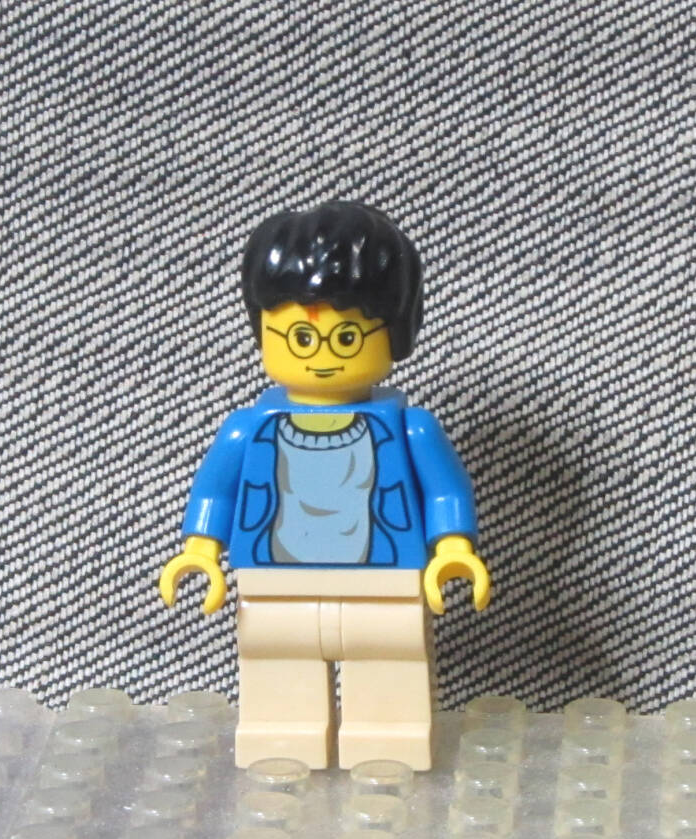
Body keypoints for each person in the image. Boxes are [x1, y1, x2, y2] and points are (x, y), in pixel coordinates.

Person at [159, 201, 490, 770]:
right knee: (276, 665)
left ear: (395, 334)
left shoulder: (409, 428)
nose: (323, 358)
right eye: (300, 338)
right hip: (272, 578)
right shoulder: (247, 429)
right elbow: (216, 492)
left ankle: (388, 744)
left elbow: (445, 491)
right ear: (263, 333)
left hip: (385, 578)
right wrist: (200, 550)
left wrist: (453, 547)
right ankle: (282, 742)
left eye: (347, 338)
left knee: (388, 662)